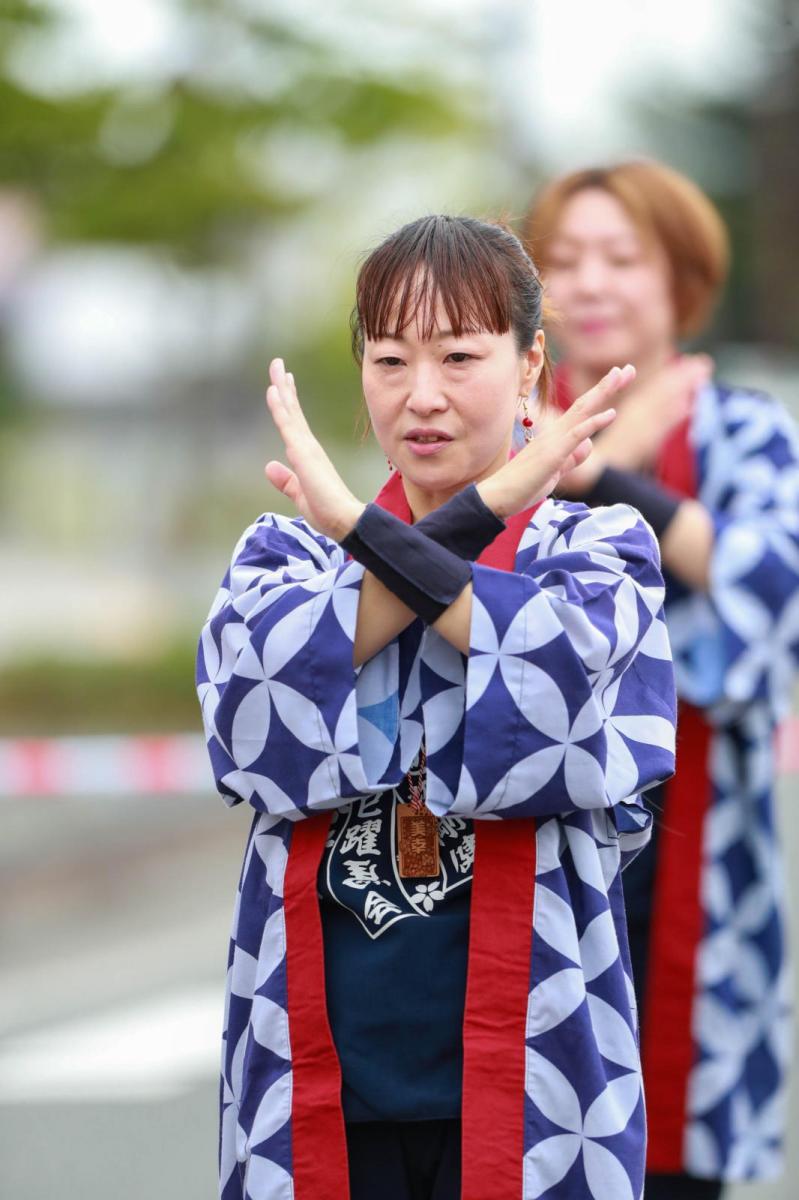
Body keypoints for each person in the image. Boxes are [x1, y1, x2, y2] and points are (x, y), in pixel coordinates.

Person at [196, 214, 677, 1200]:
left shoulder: (598, 551)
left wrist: (365, 535)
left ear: (530, 362)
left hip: (542, 1091)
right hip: (318, 1094)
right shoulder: (284, 554)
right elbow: (254, 710)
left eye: (460, 355)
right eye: (388, 359)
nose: (421, 396)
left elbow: (561, 687)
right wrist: (461, 514)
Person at [524, 161, 799, 1198]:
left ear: (679, 279)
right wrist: (567, 464)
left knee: (674, 1152)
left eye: (619, 258)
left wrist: (609, 480)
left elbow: (773, 609)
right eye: (560, 261)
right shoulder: (490, 436)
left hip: (698, 858)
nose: (588, 283)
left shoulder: (744, 430)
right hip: (523, 865)